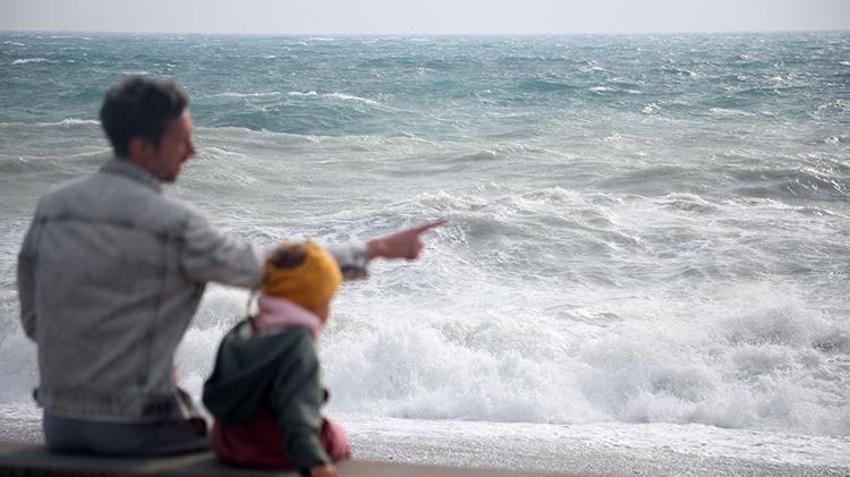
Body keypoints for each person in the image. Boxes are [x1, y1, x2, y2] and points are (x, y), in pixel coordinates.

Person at [16, 76, 442, 456]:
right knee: (257, 448)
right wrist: (377, 248)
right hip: (139, 428)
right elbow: (273, 269)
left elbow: (35, 323)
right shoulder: (173, 224)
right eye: (181, 141)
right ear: (142, 147)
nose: (192, 151)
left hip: (59, 424)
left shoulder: (52, 207)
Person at [203, 240, 349, 477]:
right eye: (327, 300)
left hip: (227, 443)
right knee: (336, 437)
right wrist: (315, 462)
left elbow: (214, 393)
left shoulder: (243, 330)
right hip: (274, 450)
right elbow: (298, 413)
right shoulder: (298, 344)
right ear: (312, 303)